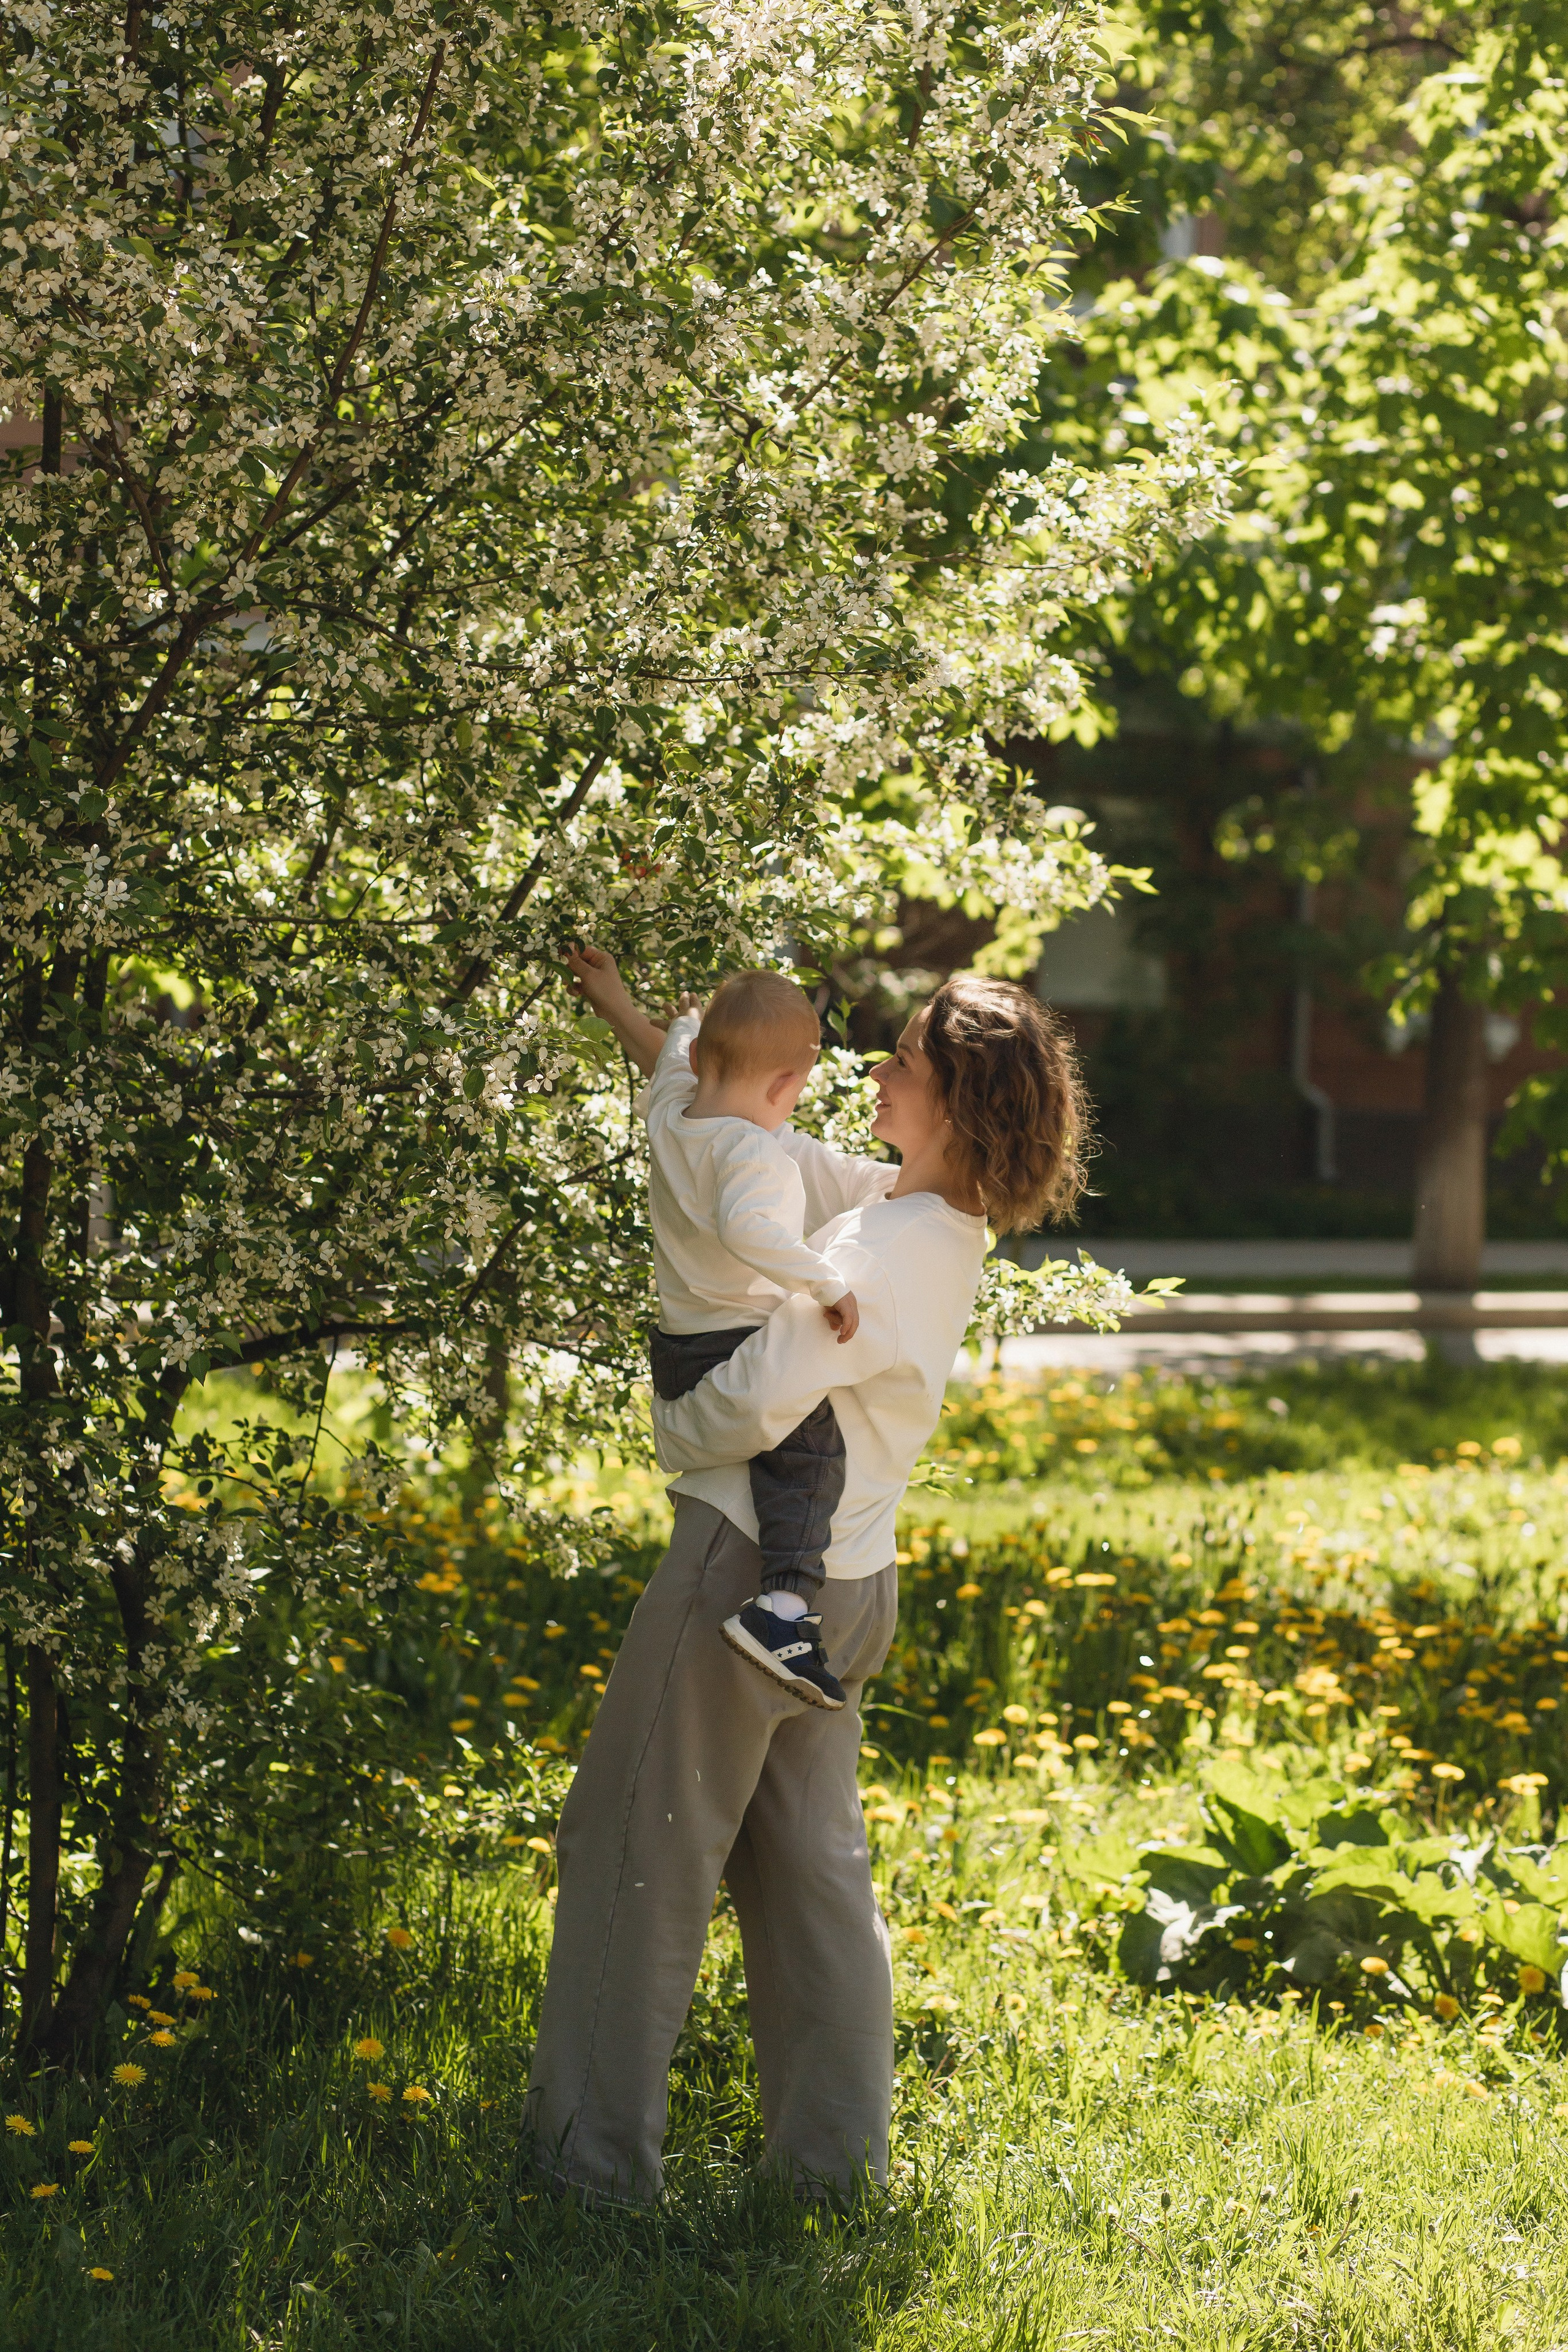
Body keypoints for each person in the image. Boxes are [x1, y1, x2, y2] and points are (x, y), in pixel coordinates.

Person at [525, 968, 1087, 2208]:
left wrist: (673, 1422)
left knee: (628, 1852)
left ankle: (588, 2181)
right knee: (806, 1882)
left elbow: (744, 1400)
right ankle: (829, 2181)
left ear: (950, 1107)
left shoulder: (882, 1248)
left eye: (901, 1066)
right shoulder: (923, 1218)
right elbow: (737, 1141)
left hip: (742, 1580)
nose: (873, 1075)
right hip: (843, 1590)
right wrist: (686, 1057)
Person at [567, 948, 863, 1709]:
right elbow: (749, 1231)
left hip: (677, 1345)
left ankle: (776, 1594)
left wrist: (622, 1001)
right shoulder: (751, 1151)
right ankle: (785, 1608)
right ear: (790, 1084)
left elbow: (671, 1047)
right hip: (731, 1344)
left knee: (773, 1455)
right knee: (811, 1451)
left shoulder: (670, 1110)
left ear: (700, 1059)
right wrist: (826, 1280)